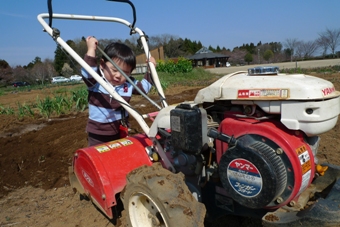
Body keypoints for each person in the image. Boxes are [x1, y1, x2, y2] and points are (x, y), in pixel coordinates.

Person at [82, 36, 156, 146]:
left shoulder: (128, 84)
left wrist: (151, 69)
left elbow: (144, 89)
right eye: (114, 70)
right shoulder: (96, 81)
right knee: (98, 156)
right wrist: (91, 50)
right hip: (98, 133)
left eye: (125, 73)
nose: (118, 76)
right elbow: (88, 72)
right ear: (102, 65)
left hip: (120, 130)